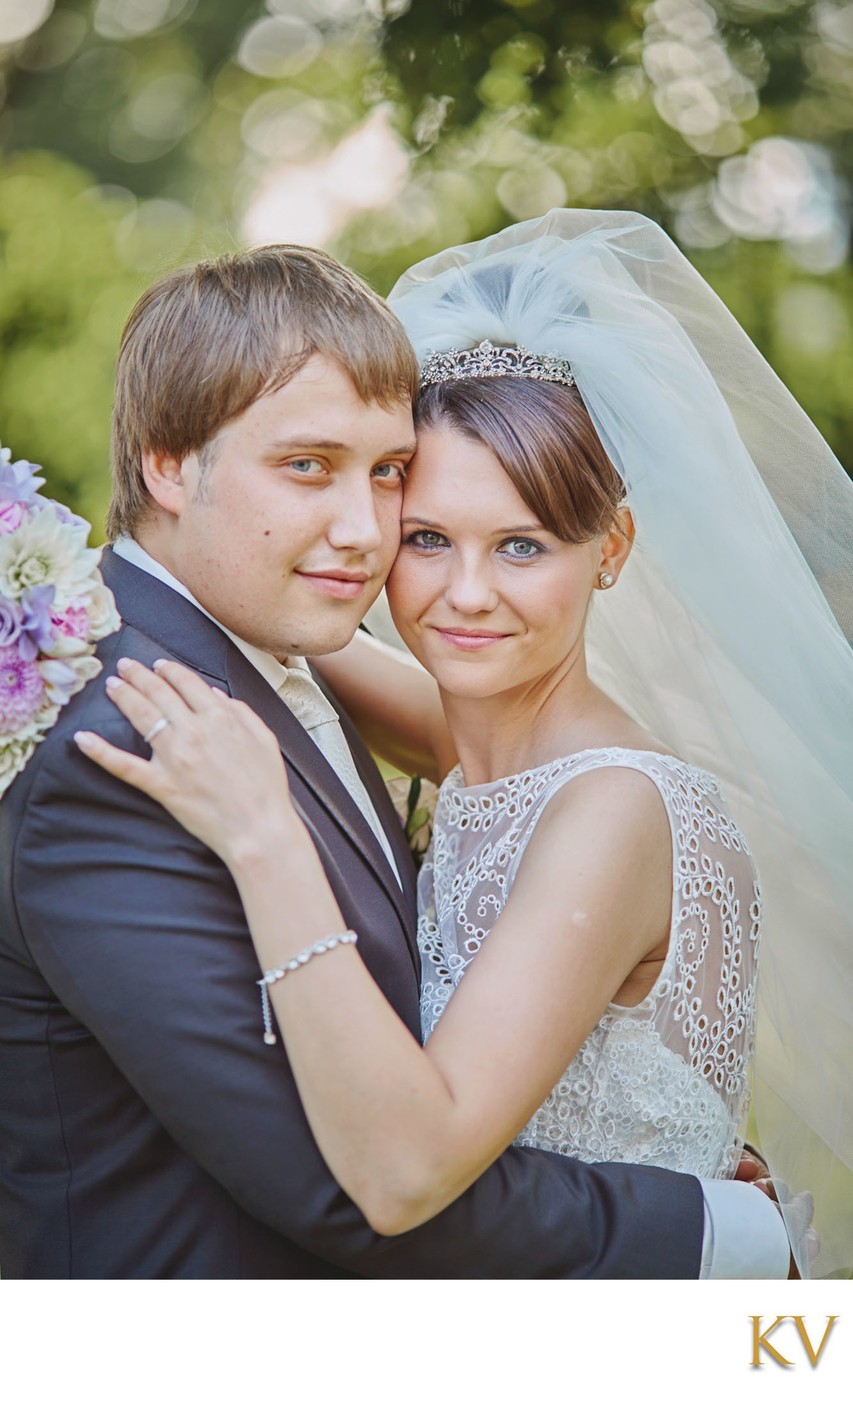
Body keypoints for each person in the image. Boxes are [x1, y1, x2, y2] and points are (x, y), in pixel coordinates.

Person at [0, 240, 791, 1280]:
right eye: (308, 466)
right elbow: (355, 1187)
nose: (366, 533)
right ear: (166, 461)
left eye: (384, 478)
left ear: (609, 548)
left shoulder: (299, 667)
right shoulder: (139, 734)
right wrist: (716, 1235)